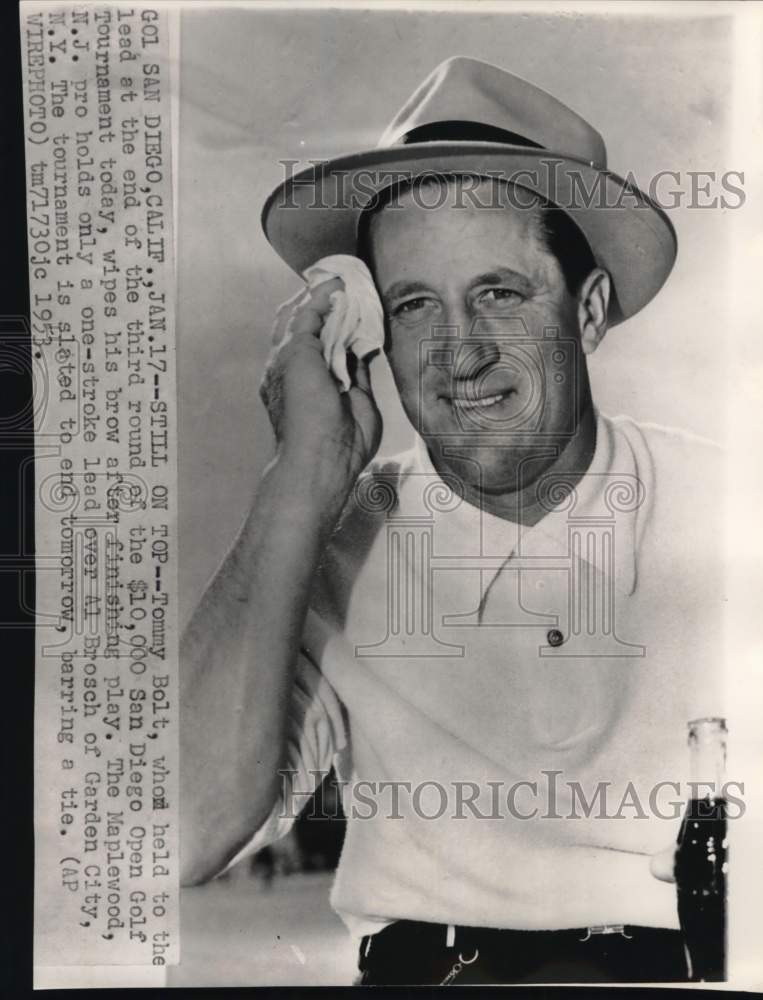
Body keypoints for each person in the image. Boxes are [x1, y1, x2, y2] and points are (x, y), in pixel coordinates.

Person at [180, 57, 725, 984]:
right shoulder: (337, 531)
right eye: (415, 306)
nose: (460, 353)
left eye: (500, 295)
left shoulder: (731, 504)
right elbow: (175, 833)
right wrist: (296, 483)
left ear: (588, 313)